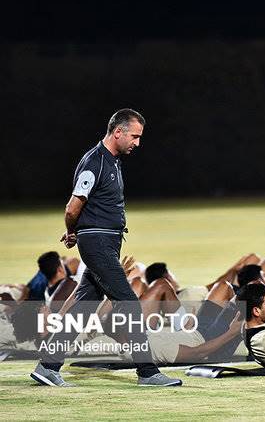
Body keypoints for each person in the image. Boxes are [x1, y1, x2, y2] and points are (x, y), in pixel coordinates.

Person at [31, 109, 181, 387]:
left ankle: (47, 366)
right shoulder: (95, 161)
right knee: (130, 303)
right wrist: (72, 231)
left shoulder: (111, 161)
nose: (137, 143)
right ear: (118, 132)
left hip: (105, 243)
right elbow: (73, 206)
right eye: (134, 136)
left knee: (83, 307)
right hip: (97, 244)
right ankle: (147, 372)